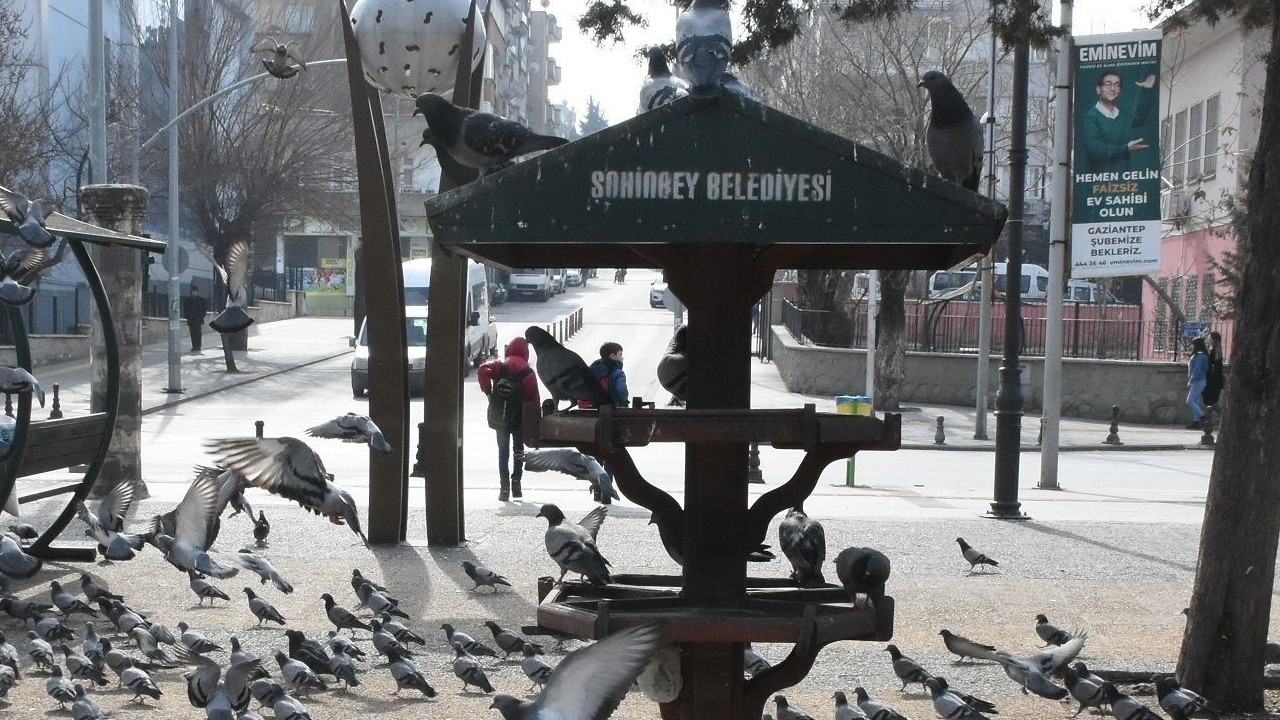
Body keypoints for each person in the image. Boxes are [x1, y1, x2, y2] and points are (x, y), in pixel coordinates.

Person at [478, 336, 541, 502]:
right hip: (519, 417)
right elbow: (534, 398)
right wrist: (536, 421)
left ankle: (503, 487)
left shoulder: (500, 365)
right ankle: (516, 483)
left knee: (502, 452)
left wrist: (488, 391)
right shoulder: (528, 372)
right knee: (518, 451)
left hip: (501, 417)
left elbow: (482, 370)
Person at [1079, 69, 1157, 174]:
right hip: (1097, 181)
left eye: (1117, 85)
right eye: (1108, 84)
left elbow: (1140, 118)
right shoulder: (1090, 117)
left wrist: (1146, 90)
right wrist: (1126, 147)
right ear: (1098, 89)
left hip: (1123, 180)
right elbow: (1096, 149)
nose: (1113, 89)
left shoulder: (1122, 115)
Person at [589, 341, 629, 408]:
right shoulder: (617, 372)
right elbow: (621, 390)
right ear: (612, 356)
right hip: (612, 408)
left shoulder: (591, 370)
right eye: (620, 354)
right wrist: (624, 403)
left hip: (591, 408)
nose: (622, 357)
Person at [1185, 336, 1209, 429]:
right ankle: (1196, 422)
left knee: (1189, 401)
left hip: (1198, 381)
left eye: (1193, 344)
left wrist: (1191, 381)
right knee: (1195, 401)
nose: (1192, 346)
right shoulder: (1199, 355)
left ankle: (1202, 417)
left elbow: (1197, 369)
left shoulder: (1200, 356)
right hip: (1199, 381)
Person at [1202, 330, 1225, 409]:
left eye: (1209, 338)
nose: (1208, 340)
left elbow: (1210, 364)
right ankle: (1209, 420)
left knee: (1210, 401)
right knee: (1210, 402)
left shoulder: (1214, 351)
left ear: (1213, 339)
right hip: (1215, 378)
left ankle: (1223, 416)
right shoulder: (1216, 350)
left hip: (1213, 379)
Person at [181, 286, 208, 353]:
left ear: (197, 292)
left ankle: (198, 346)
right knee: (192, 333)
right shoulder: (188, 301)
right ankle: (194, 346)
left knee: (198, 333)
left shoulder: (201, 300)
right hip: (191, 320)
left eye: (195, 292)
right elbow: (185, 310)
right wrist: (187, 317)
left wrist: (201, 317)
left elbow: (204, 310)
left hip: (198, 320)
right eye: (192, 292)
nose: (194, 293)